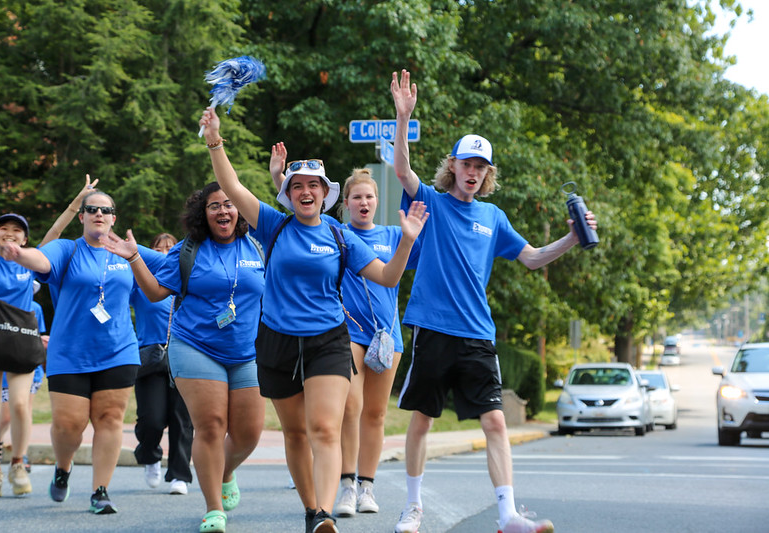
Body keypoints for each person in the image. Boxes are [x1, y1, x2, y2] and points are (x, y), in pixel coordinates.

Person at [199, 106, 428, 533]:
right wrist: (215, 138)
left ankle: (324, 513)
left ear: (326, 193)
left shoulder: (340, 236)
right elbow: (230, 184)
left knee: (324, 427)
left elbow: (387, 276)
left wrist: (406, 244)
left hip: (328, 340)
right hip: (278, 341)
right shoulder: (272, 225)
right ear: (288, 194)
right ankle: (312, 510)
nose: (306, 191)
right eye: (298, 185)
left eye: (314, 186)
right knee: (296, 434)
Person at [389, 69, 598, 533]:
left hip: (477, 335)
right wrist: (403, 117)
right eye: (466, 164)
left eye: (480, 167)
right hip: (432, 328)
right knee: (422, 420)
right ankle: (413, 507)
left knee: (497, 424)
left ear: (487, 174)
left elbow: (531, 258)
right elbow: (402, 169)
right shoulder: (432, 201)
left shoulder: (494, 217)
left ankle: (507, 516)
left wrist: (570, 237)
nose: (472, 172)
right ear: (453, 166)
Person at [102, 182, 266, 533]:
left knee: (250, 432)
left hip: (247, 352)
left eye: (229, 204)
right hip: (195, 347)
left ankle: (224, 472)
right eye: (213, 206)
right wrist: (134, 258)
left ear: (240, 209)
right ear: (202, 214)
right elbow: (155, 292)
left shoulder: (258, 246)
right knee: (210, 426)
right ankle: (213, 509)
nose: (223, 211)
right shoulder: (187, 250)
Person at [270, 159, 418, 517]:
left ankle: (368, 486)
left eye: (369, 197)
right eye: (356, 197)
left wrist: (409, 237)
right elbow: (297, 210)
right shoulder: (334, 231)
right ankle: (346, 486)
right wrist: (279, 177)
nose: (363, 203)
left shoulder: (394, 234)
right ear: (344, 202)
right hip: (348, 333)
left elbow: (397, 273)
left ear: (377, 201)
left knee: (376, 413)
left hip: (386, 337)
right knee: (350, 408)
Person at [0, 188, 159, 515]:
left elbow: (168, 272)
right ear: (83, 216)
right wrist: (19, 253)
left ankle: (100, 491)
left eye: (106, 209)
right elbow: (40, 259)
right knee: (68, 426)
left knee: (110, 419)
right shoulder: (67, 249)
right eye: (92, 209)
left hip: (118, 351)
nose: (99, 213)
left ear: (114, 218)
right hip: (69, 353)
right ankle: (63, 467)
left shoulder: (128, 252)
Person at [0, 168, 96, 498]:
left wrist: (77, 203)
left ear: (25, 240)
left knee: (21, 406)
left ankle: (16, 463)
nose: (10, 234)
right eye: (4, 230)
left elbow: (55, 231)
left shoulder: (31, 265)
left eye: (17, 231)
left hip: (21, 346)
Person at [129, 232, 194, 495]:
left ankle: (179, 475)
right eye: (159, 249)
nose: (165, 253)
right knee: (151, 420)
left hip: (185, 356)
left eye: (171, 248)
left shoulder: (188, 282)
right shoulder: (141, 284)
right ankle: (150, 455)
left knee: (182, 418)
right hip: (149, 357)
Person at [0, 283, 50, 473]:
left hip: (31, 366)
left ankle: (21, 454)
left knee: (24, 411)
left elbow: (38, 333)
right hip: (7, 365)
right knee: (5, 416)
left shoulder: (36, 308)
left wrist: (44, 340)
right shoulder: (2, 306)